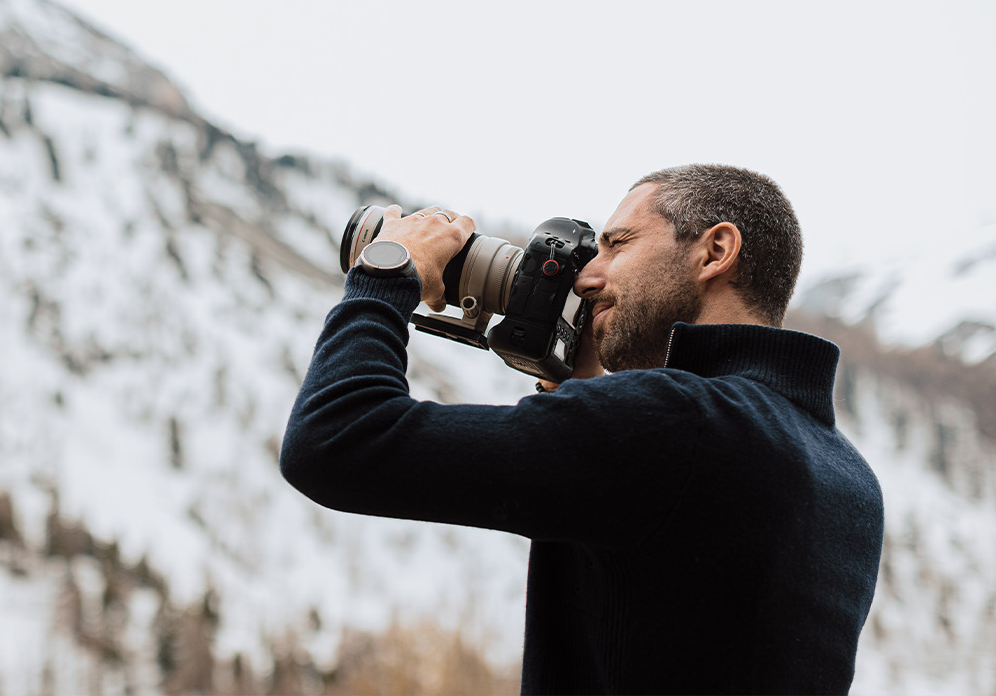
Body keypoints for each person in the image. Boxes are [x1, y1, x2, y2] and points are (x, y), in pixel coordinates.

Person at [280, 164, 885, 695]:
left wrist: (386, 276)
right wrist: (575, 376)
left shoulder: (677, 422)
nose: (588, 277)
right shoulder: (845, 474)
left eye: (617, 245)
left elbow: (335, 441)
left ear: (714, 251)